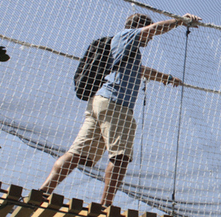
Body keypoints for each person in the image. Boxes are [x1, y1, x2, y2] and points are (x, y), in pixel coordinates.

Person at [40, 12, 201, 205]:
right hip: (117, 104)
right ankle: (105, 205)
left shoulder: (125, 47)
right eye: (147, 33)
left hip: (101, 102)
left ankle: (43, 191)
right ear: (139, 27)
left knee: (77, 154)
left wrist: (166, 78)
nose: (150, 38)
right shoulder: (127, 36)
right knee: (121, 157)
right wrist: (179, 21)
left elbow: (140, 71)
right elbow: (154, 29)